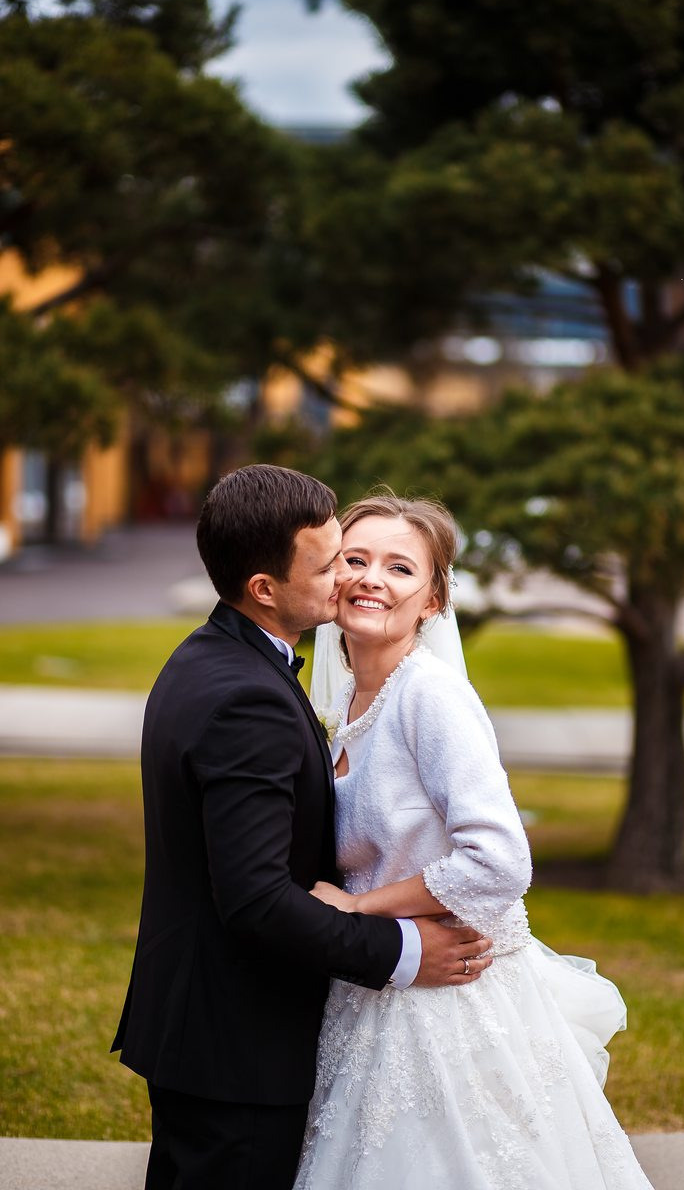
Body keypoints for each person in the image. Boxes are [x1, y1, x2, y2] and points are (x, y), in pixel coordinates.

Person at [111, 466, 493, 1190]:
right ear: (264, 587)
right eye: (330, 566)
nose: (347, 580)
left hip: (207, 1027)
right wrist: (405, 951)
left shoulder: (208, 657)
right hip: (237, 1041)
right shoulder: (247, 700)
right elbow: (256, 901)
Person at [295, 493, 654, 1190]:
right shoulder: (340, 702)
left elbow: (498, 861)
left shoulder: (429, 698)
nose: (371, 578)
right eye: (355, 559)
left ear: (432, 601)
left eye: (400, 568)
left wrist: (359, 909)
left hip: (447, 1002)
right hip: (376, 985)